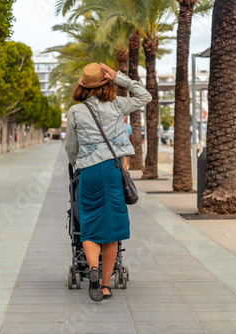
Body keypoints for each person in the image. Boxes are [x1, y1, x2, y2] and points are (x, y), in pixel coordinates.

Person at [65, 63, 151, 302]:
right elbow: (145, 96)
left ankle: (92, 269)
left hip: (89, 173)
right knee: (112, 230)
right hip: (113, 171)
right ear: (106, 84)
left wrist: (79, 163)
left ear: (83, 86)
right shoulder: (117, 105)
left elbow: (70, 148)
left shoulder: (75, 111)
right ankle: (104, 285)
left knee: (89, 223)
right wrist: (120, 78)